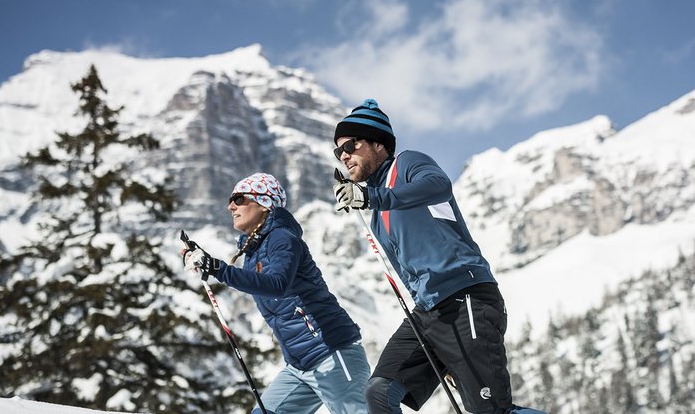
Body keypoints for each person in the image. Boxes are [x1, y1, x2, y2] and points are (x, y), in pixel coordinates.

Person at [331, 99, 544, 414]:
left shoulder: (408, 165)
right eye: (338, 152)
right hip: (428, 312)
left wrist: (373, 197)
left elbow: (439, 185)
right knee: (379, 391)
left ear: (378, 144)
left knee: (491, 411)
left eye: (351, 145)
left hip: (464, 298)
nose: (344, 155)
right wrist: (371, 200)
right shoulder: (376, 211)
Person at [183, 173, 370, 414]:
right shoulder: (252, 254)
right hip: (299, 365)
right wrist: (206, 264)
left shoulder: (282, 237)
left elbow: (277, 284)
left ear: (263, 203)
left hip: (331, 353)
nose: (231, 206)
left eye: (239, 199)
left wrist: (218, 269)